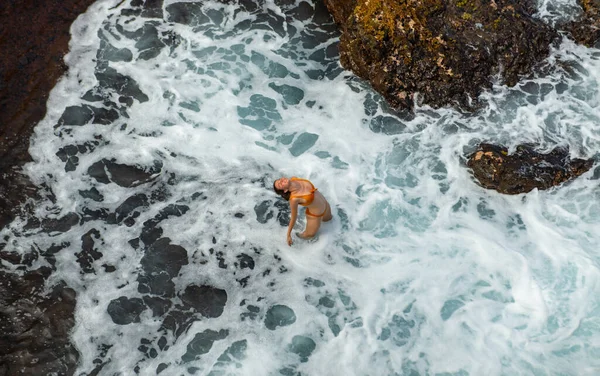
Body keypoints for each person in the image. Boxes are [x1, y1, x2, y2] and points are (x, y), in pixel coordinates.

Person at [273, 176, 333, 246]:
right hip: (315, 216)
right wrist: (288, 235)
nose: (281, 181)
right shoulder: (294, 199)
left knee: (330, 221)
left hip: (326, 205)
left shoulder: (294, 179)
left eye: (280, 179)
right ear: (285, 190)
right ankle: (297, 237)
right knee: (308, 236)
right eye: (280, 184)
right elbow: (293, 217)